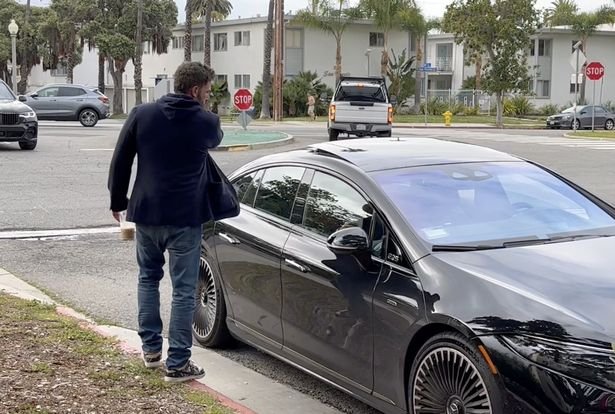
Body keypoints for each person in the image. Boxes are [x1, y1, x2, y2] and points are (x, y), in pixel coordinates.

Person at [107, 62, 224, 383]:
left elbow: (121, 159)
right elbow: (215, 138)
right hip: (186, 218)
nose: (208, 98)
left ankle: (151, 350)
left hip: (145, 213)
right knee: (184, 290)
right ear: (196, 89)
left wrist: (118, 201)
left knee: (147, 279)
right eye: (208, 92)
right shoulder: (206, 121)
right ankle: (179, 363)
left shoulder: (142, 114)